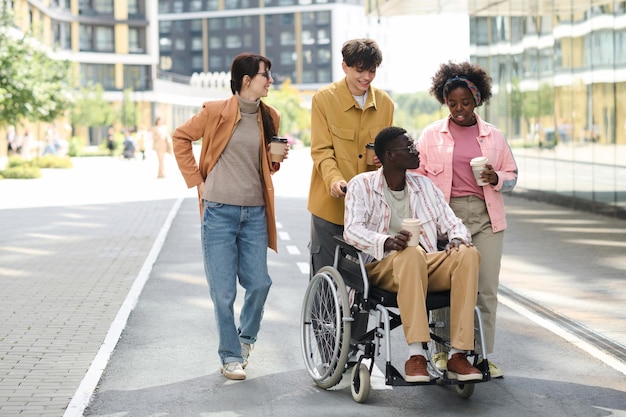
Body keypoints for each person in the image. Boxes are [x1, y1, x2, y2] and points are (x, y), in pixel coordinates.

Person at [171, 53, 287, 381]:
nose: (271, 81)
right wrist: (197, 182)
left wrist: (275, 160)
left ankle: (246, 338)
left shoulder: (270, 116)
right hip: (219, 212)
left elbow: (266, 166)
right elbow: (180, 137)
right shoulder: (215, 111)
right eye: (266, 75)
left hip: (254, 213)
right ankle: (230, 355)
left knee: (260, 283)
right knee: (223, 292)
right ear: (247, 80)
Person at [344, 126, 483, 383]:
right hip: (382, 266)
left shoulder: (424, 186)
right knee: (410, 254)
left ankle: (457, 354)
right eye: (408, 148)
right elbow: (352, 231)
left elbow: (452, 222)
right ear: (389, 155)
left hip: (424, 262)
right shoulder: (361, 185)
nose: (416, 151)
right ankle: (416, 355)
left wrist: (456, 238)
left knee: (467, 253)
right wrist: (386, 241)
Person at [416, 61, 518, 378]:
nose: (459, 109)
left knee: (485, 289)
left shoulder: (495, 137)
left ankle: (482, 355)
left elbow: (513, 177)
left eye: (465, 102)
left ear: (477, 100)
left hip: (487, 219)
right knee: (448, 290)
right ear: (445, 102)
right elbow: (416, 178)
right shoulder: (431, 135)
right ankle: (444, 352)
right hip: (447, 218)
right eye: (452, 103)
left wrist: (496, 176)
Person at [307, 38, 394, 277]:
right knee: (326, 277)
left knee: (365, 284)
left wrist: (384, 158)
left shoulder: (385, 104)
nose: (366, 76)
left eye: (372, 70)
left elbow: (389, 151)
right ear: (344, 66)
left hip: (369, 210)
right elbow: (321, 151)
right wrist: (334, 180)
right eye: (360, 70)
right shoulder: (324, 99)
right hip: (331, 207)